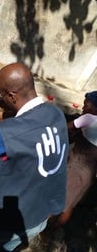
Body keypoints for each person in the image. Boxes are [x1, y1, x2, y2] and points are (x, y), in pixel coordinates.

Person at [0, 62, 69, 251]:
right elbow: (26, 117)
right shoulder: (55, 114)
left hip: (6, 218)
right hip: (42, 213)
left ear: (11, 96)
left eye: (2, 95)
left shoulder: (3, 132)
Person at [51, 90, 97, 228]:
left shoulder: (88, 118)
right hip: (89, 173)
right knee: (70, 204)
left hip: (75, 166)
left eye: (86, 105)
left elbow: (63, 128)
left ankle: (44, 227)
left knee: (58, 199)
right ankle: (53, 230)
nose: (83, 108)